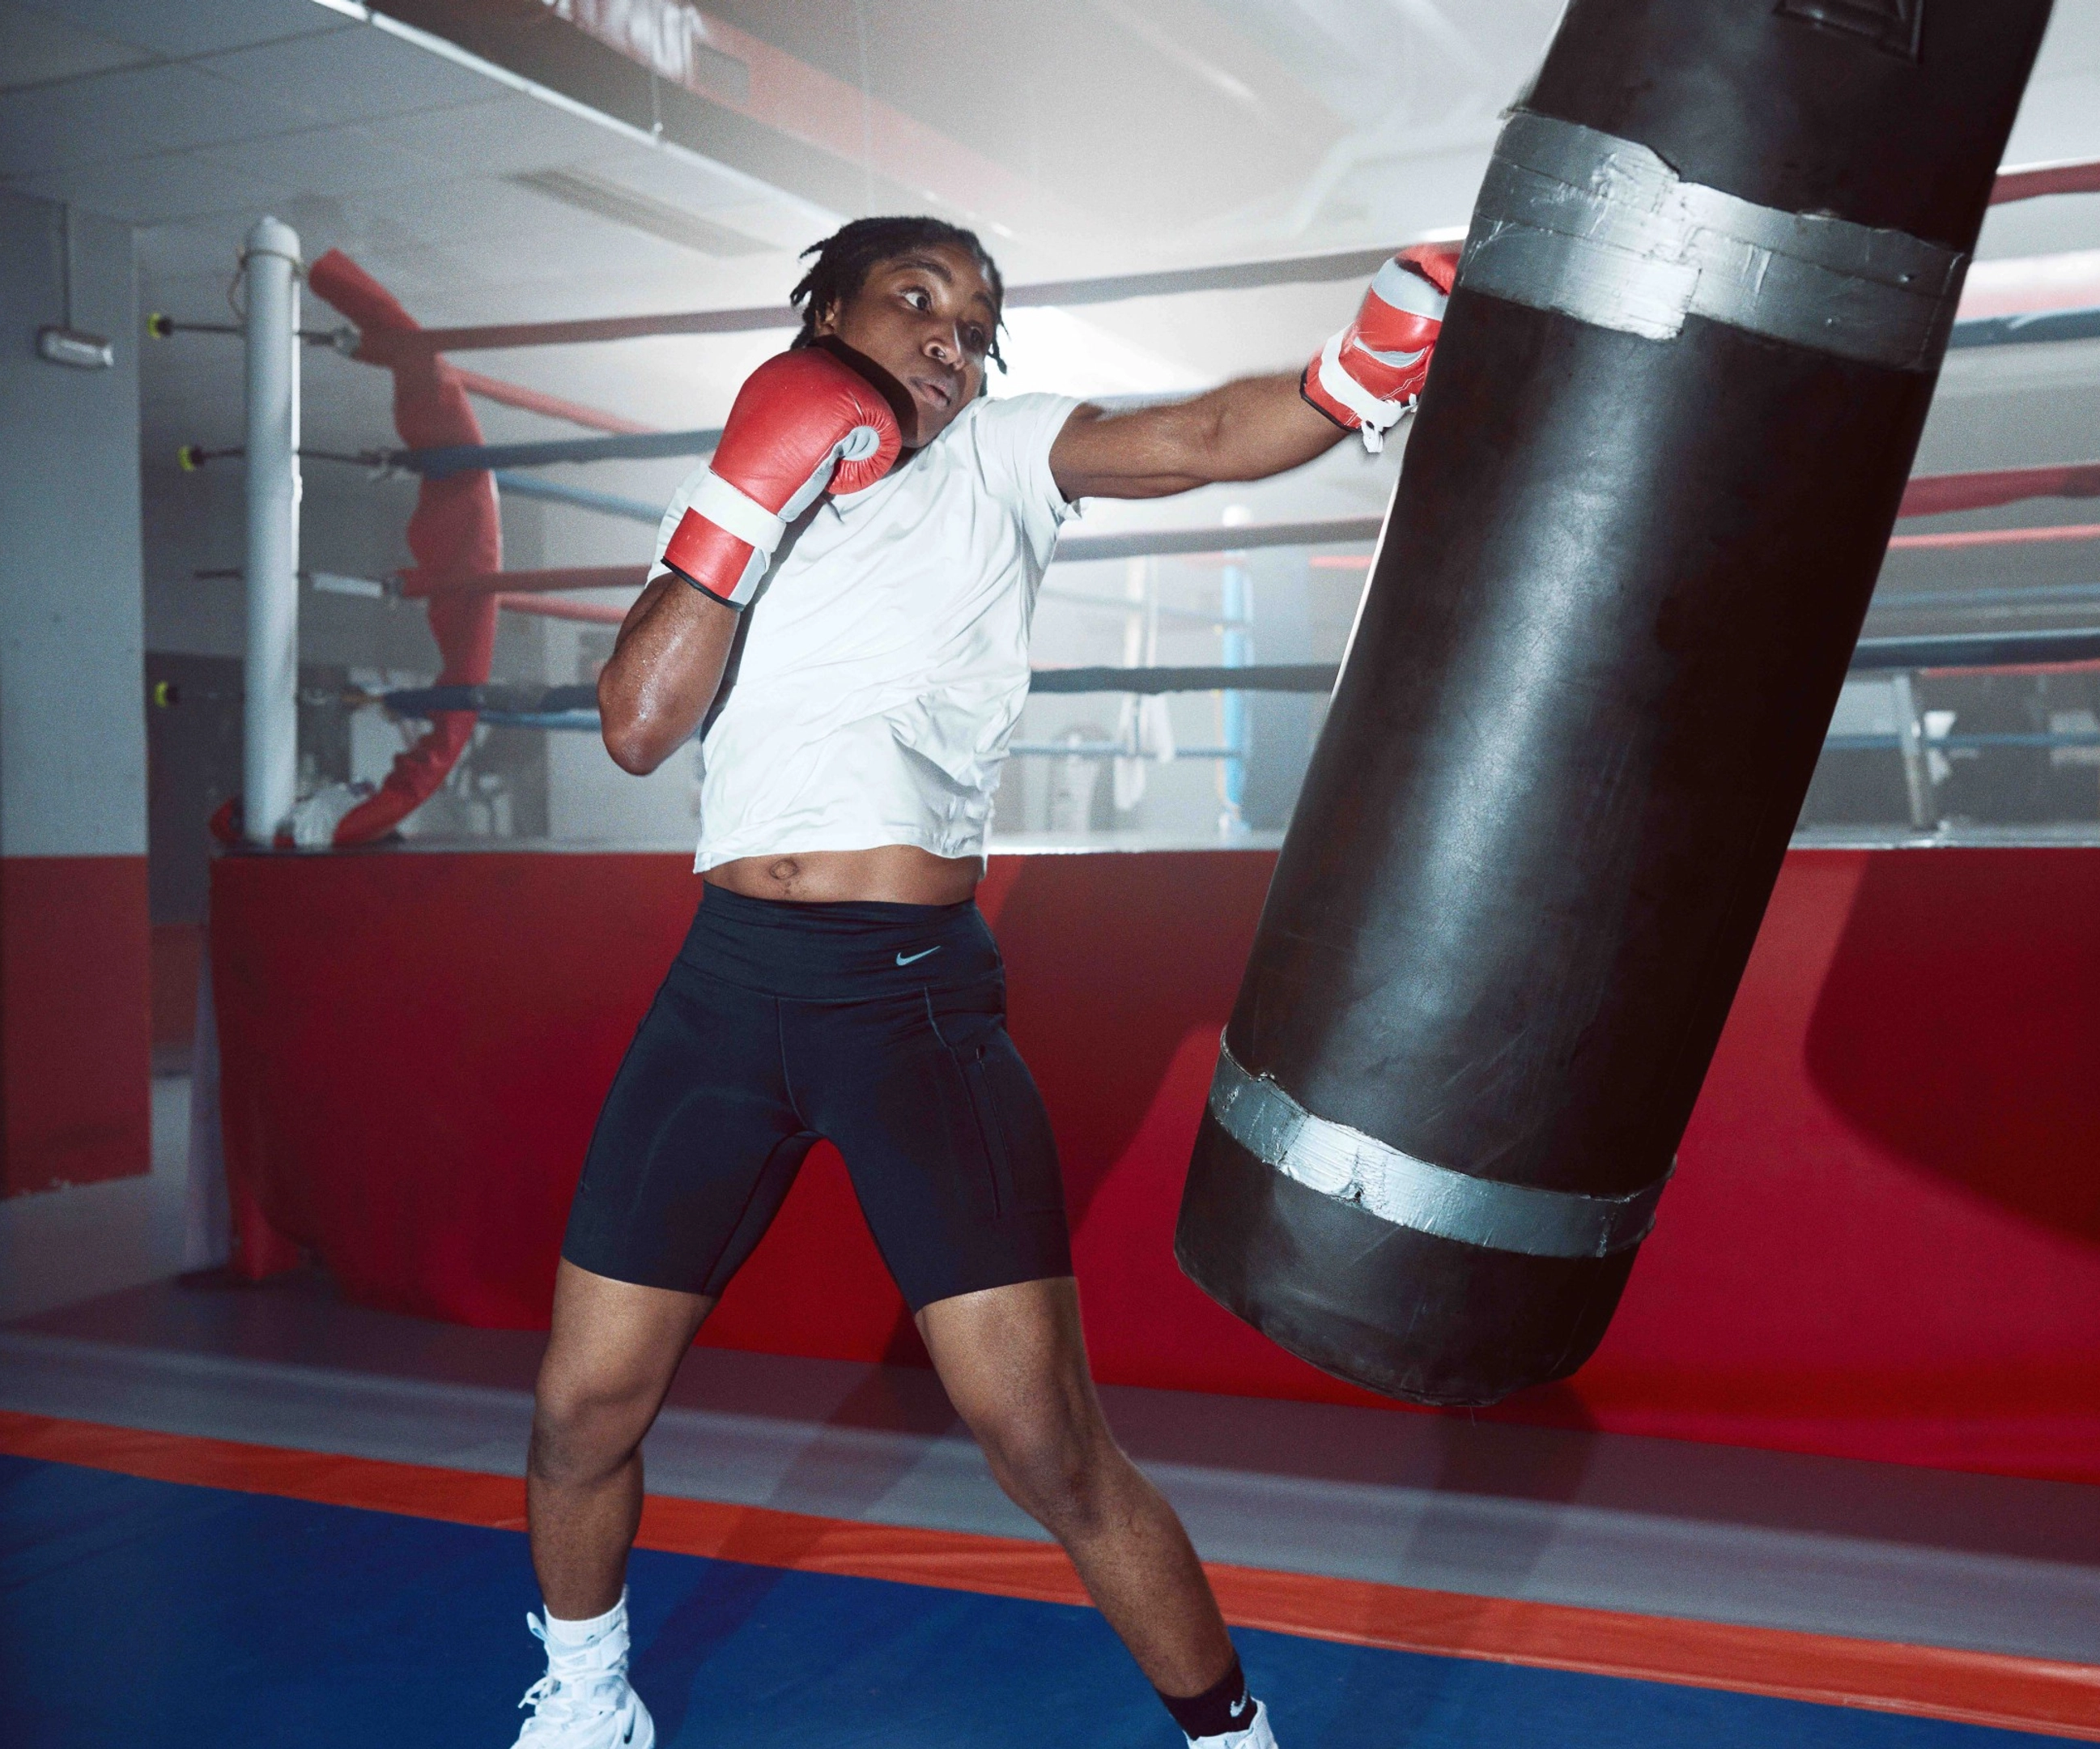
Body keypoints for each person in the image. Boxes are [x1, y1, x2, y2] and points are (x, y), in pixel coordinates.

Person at [506, 216, 1460, 1749]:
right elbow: (636, 725)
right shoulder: (767, 474)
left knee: (1040, 1438)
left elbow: (1207, 433)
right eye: (917, 298)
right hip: (728, 992)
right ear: (826, 313)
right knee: (581, 1406)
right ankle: (587, 1697)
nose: (953, 336)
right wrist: (750, 489)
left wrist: (1359, 374)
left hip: (909, 1003)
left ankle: (1231, 1737)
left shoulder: (1006, 457)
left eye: (978, 319)